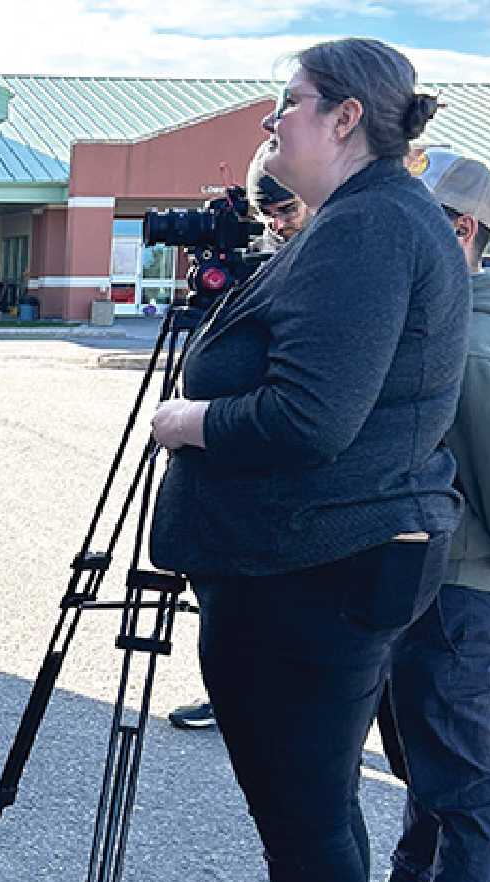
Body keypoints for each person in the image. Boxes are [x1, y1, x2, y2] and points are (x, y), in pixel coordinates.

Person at [148, 38, 470, 882]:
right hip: (315, 564)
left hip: (314, 570)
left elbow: (306, 418)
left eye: (286, 104)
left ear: (345, 118)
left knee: (305, 814)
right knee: (317, 804)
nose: (268, 122)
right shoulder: (355, 222)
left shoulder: (373, 227)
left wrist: (187, 421)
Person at [353, 150, 490, 882]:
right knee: (419, 749)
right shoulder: (446, 320)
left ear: (460, 231)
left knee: (462, 771)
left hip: (470, 589)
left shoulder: (482, 350)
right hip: (428, 572)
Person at [167, 142, 309, 733]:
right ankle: (227, 693)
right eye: (268, 214)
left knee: (296, 612)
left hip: (296, 485)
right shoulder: (262, 264)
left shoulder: (333, 266)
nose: (278, 223)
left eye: (287, 210)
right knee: (231, 596)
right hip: (231, 480)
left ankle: (311, 717)